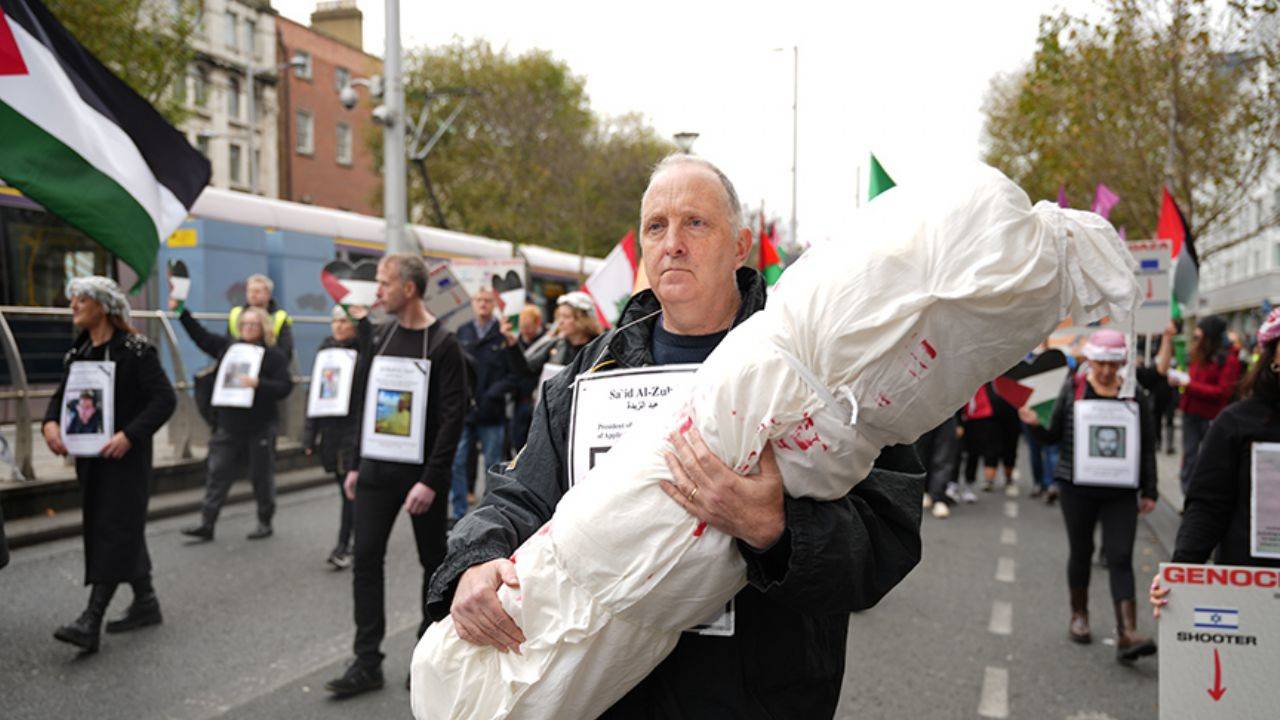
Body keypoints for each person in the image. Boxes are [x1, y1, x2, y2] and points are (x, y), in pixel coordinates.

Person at [427, 154, 924, 718]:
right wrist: (477, 558)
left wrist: (777, 529)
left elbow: (889, 534)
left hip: (754, 697)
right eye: (656, 227)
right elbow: (519, 495)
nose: (673, 243)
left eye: (695, 223)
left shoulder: (817, 363)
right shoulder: (591, 374)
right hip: (606, 693)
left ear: (740, 246)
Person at [325, 253, 470, 697]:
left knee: (433, 564)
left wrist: (430, 479)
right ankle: (366, 660)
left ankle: (428, 654)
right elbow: (365, 402)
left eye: (385, 284)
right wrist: (355, 464)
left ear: (409, 289)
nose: (378, 292)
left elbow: (453, 417)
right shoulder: (381, 337)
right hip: (374, 472)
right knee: (366, 560)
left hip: (422, 478)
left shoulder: (443, 345)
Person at [41, 277, 176, 653]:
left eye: (81, 300)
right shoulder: (79, 351)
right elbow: (60, 398)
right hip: (90, 460)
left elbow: (164, 400)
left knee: (114, 528)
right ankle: (146, 602)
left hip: (126, 461)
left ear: (102, 306)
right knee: (120, 527)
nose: (73, 307)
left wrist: (129, 435)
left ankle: (90, 620)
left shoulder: (135, 351)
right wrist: (50, 424)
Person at [1021, 329, 1158, 663]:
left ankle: (1127, 632)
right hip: (1077, 488)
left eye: (1113, 364)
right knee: (1081, 552)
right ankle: (1078, 616)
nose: (1107, 371)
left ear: (1122, 363)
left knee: (1120, 556)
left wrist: (1150, 489)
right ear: (1091, 360)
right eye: (1101, 363)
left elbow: (1147, 445)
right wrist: (1035, 423)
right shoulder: (1074, 388)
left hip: (1121, 492)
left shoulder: (1134, 394)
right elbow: (1052, 435)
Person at [1150, 308, 1280, 615]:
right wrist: (1179, 578)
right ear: (1273, 356)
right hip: (1252, 593)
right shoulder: (1237, 423)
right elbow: (1208, 507)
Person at [175, 300, 292, 541]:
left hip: (260, 424)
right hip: (229, 423)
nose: (248, 328)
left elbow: (285, 386)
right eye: (245, 324)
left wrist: (260, 384)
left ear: (263, 327)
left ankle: (264, 520)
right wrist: (181, 312)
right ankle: (207, 523)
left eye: (253, 324)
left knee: (261, 475)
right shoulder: (229, 349)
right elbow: (202, 337)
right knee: (217, 473)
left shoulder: (273, 356)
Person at [449, 287, 522, 520]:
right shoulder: (463, 332)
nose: (482, 304)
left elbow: (515, 375)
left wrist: (494, 393)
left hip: (492, 412)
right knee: (457, 462)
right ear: (472, 303)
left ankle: (488, 514)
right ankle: (459, 512)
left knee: (492, 466)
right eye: (479, 300)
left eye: (487, 300)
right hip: (466, 411)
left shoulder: (503, 334)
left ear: (494, 305)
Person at [303, 306, 361, 570]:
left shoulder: (363, 352)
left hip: (353, 430)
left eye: (344, 321)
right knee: (346, 490)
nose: (339, 326)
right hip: (331, 432)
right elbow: (316, 394)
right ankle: (354, 539)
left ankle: (344, 544)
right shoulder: (324, 352)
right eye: (335, 320)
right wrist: (309, 435)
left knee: (350, 491)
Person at [1169, 315, 1241, 495]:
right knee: (1190, 457)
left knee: (1211, 459)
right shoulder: (1196, 355)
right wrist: (1180, 381)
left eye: (1199, 334)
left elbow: (1222, 392)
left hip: (1212, 417)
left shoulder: (1228, 360)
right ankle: (1189, 497)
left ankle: (1207, 496)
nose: (1195, 337)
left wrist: (1189, 385)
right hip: (1190, 413)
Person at [509, 304, 550, 452]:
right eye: (522, 328)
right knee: (518, 442)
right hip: (519, 399)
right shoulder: (516, 341)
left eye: (528, 327)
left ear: (538, 323)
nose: (525, 332)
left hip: (535, 397)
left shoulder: (548, 342)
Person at [228, 273, 294, 360]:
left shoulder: (280, 317)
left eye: (257, 291)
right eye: (249, 291)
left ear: (268, 294)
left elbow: (286, 350)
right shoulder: (236, 314)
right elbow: (228, 343)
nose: (252, 295)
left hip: (269, 363)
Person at [917, 412, 963, 518]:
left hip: (948, 413)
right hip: (922, 412)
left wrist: (960, 422)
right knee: (922, 454)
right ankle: (924, 491)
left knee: (944, 457)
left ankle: (938, 497)